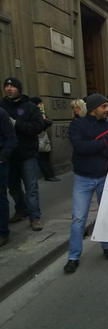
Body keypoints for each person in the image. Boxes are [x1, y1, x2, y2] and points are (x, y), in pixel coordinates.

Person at [64, 93, 108, 274]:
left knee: (105, 214)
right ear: (93, 108)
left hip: (104, 178)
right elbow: (79, 147)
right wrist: (104, 144)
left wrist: (97, 147)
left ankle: (107, 247)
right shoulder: (77, 125)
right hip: (83, 179)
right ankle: (73, 257)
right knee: (78, 219)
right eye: (104, 107)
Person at [0, 78, 45, 231]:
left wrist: (16, 124)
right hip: (8, 156)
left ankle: (35, 217)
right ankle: (21, 210)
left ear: (19, 88)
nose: (9, 88)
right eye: (6, 86)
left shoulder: (30, 106)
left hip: (27, 154)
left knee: (31, 187)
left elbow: (39, 126)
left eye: (12, 86)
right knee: (13, 188)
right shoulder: (2, 106)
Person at [30, 97, 60, 182]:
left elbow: (48, 121)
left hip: (42, 137)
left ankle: (49, 175)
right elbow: (43, 123)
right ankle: (48, 175)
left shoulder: (40, 112)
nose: (41, 104)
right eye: (39, 103)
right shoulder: (34, 113)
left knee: (45, 157)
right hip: (38, 138)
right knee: (42, 158)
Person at [0, 106, 17, 247]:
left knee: (0, 197)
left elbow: (11, 139)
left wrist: (2, 157)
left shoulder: (1, 113)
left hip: (0, 163)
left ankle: (2, 232)